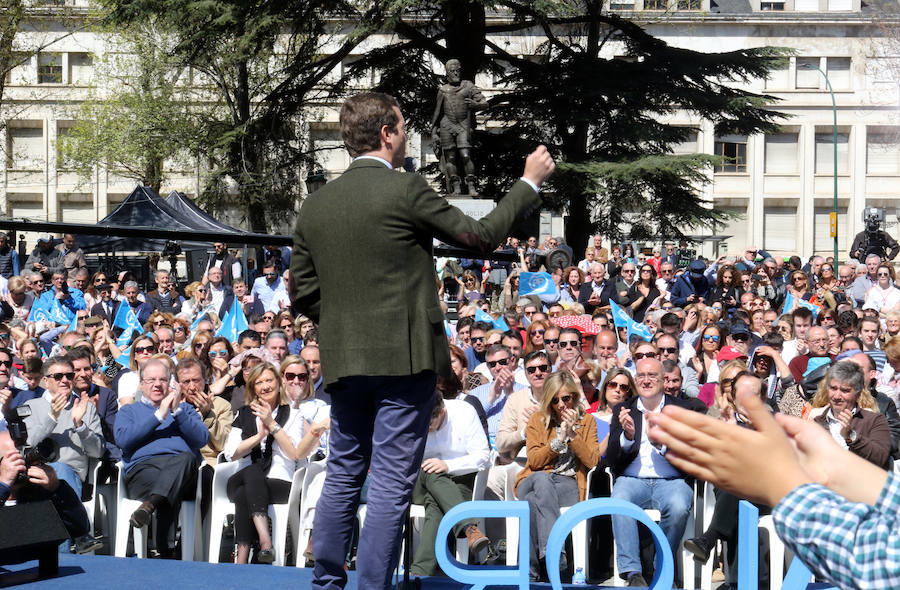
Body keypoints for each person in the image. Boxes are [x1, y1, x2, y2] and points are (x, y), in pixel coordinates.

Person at [290, 91, 554, 590]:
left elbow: (303, 292)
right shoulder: (405, 189)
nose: (408, 134)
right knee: (389, 481)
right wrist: (528, 183)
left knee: (344, 472)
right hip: (403, 360)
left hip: (345, 362)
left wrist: (348, 327)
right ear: (387, 133)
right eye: (404, 126)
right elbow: (479, 236)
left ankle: (326, 582)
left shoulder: (317, 204)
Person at [646, 381, 900, 590]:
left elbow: (880, 456)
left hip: (811, 491)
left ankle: (715, 545)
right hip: (758, 492)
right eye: (833, 389)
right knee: (738, 495)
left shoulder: (871, 419)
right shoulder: (817, 420)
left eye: (845, 390)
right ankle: (738, 576)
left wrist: (849, 440)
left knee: (739, 493)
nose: (838, 395)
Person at [606, 358, 696, 587]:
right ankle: (632, 572)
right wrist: (626, 437)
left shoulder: (682, 409)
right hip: (632, 479)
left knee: (678, 505)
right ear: (636, 380)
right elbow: (613, 460)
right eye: (641, 376)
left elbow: (690, 455)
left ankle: (662, 566)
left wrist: (661, 445)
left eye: (652, 376)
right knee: (619, 499)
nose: (646, 381)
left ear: (664, 380)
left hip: (671, 480)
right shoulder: (622, 409)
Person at [223, 362, 319, 564]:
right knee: (252, 472)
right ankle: (266, 542)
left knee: (245, 491)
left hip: (280, 482)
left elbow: (294, 454)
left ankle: (242, 557)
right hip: (241, 477)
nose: (265, 386)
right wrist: (259, 436)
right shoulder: (243, 413)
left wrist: (272, 424)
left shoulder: (293, 414)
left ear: (278, 382)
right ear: (253, 388)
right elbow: (232, 453)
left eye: (269, 380)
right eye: (259, 382)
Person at [114, 358, 209, 559]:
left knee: (185, 459)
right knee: (170, 481)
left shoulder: (186, 410)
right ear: (141, 384)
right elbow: (123, 439)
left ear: (171, 384)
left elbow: (202, 439)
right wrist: (158, 415)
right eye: (151, 380)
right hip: (144, 472)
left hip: (183, 471)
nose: (158, 384)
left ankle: (149, 507)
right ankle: (165, 548)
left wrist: (177, 411)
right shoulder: (129, 411)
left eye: (163, 380)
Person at [515, 371, 601, 582]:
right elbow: (534, 461)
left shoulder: (587, 421)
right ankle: (554, 554)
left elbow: (592, 461)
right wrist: (558, 440)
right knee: (541, 482)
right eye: (555, 400)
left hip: (567, 482)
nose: (561, 404)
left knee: (531, 503)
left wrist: (572, 435)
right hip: (534, 477)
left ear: (574, 396)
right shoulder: (537, 419)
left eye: (566, 398)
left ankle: (529, 572)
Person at [409, 393, 492, 577]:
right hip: (420, 481)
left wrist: (448, 466)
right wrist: (438, 466)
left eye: (431, 423)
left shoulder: (464, 412)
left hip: (457, 482)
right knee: (432, 471)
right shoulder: (413, 417)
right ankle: (469, 528)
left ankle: (420, 572)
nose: (427, 429)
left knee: (436, 503)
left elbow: (483, 456)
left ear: (443, 411)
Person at [20, 356, 105, 502]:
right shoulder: (30, 407)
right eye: (58, 376)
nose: (65, 380)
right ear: (46, 381)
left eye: (69, 376)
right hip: (35, 474)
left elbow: (98, 451)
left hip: (69, 474)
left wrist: (80, 426)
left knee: (60, 469)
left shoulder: (86, 408)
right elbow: (26, 446)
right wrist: (52, 418)